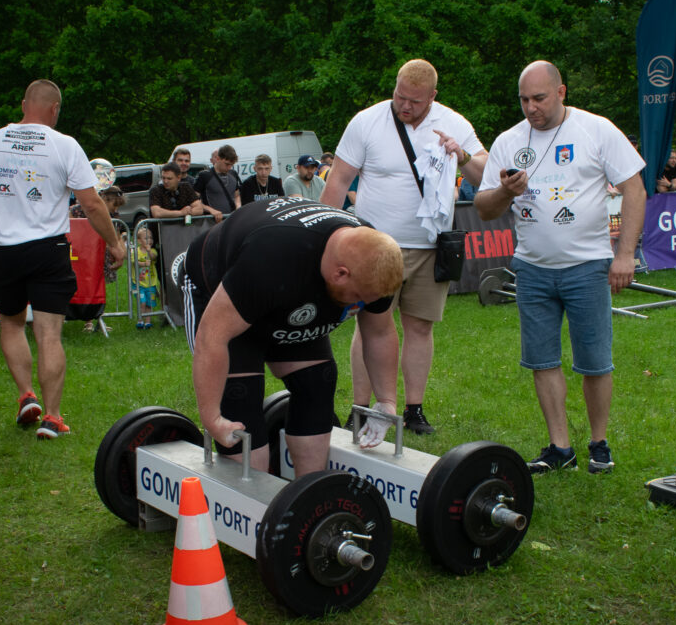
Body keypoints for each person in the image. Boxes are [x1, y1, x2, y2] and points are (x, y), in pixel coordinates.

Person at [474, 60, 646, 475]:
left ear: (561, 92)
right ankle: (559, 446)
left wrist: (624, 255)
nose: (531, 108)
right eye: (524, 100)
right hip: (532, 268)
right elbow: (483, 208)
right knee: (542, 359)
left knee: (594, 360)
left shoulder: (596, 129)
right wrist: (504, 190)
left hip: (587, 265)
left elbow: (634, 190)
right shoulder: (509, 140)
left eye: (539, 98)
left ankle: (599, 442)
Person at [321, 58, 488, 434]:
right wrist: (323, 238)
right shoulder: (367, 121)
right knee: (369, 326)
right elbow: (338, 182)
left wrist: (460, 154)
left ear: (433, 96)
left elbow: (484, 173)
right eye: (400, 96)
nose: (405, 106)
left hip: (429, 247)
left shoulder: (454, 122)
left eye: (414, 100)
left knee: (420, 328)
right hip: (373, 247)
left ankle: (414, 409)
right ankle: (361, 407)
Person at [183, 197, 403, 477]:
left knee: (317, 381)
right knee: (240, 404)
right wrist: (213, 418)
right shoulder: (269, 258)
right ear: (340, 274)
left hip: (292, 290)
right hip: (220, 284)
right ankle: (253, 505)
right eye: (358, 299)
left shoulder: (373, 260)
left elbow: (380, 331)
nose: (360, 307)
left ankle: (307, 495)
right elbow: (211, 339)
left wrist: (386, 401)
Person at [0, 79, 127, 439]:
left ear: (23, 105)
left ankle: (26, 395)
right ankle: (52, 417)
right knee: (49, 334)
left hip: (5, 251)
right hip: (48, 249)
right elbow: (93, 203)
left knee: (12, 325)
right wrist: (114, 243)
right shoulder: (64, 144)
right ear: (54, 109)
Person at [70, 185, 125, 333]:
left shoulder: (113, 216)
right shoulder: (78, 210)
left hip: (100, 255)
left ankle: (98, 318)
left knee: (98, 286)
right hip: (82, 254)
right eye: (114, 205)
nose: (115, 210)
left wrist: (121, 250)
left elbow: (117, 235)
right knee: (84, 284)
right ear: (105, 199)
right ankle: (88, 321)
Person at [194, 144, 240, 222]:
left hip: (231, 220)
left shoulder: (233, 174)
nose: (229, 167)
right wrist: (211, 210)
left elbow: (237, 195)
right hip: (211, 221)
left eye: (231, 165)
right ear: (218, 158)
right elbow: (193, 200)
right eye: (227, 164)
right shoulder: (205, 175)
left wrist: (238, 207)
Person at [132, 225, 159, 329]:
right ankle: (140, 320)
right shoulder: (135, 251)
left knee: (149, 303)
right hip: (138, 283)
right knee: (142, 302)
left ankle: (148, 322)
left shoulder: (153, 251)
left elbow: (154, 257)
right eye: (146, 238)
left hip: (150, 283)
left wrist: (149, 251)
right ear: (139, 240)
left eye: (151, 238)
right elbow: (134, 262)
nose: (149, 240)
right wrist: (143, 264)